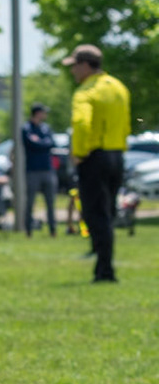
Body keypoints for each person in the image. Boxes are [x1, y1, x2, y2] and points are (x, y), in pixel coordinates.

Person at [66, 44, 130, 283]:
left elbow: (82, 124)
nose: (72, 71)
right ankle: (104, 265)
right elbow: (125, 124)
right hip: (117, 154)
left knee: (95, 214)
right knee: (108, 212)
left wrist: (79, 152)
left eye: (74, 66)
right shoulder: (118, 88)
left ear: (85, 65)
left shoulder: (85, 92)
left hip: (94, 157)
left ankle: (105, 270)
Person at [21, 104, 58, 236]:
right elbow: (31, 144)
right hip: (32, 170)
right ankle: (28, 230)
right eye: (43, 112)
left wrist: (40, 142)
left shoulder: (46, 128)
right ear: (37, 113)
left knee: (50, 201)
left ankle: (53, 230)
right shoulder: (26, 128)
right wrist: (43, 143)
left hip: (47, 169)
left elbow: (52, 143)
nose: (45, 115)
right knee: (30, 201)